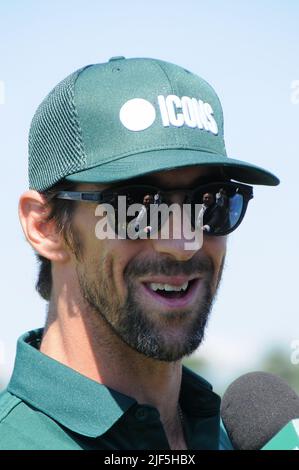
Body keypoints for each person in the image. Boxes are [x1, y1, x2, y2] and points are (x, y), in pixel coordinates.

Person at [0, 56, 279, 450]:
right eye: (137, 207)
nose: (184, 244)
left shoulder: (230, 439)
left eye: (211, 203)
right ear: (44, 226)